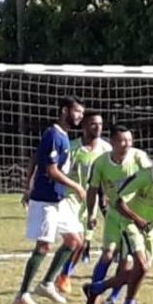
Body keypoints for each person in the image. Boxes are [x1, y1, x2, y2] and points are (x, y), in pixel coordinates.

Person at [83, 139, 153, 304]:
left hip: (151, 228)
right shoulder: (143, 177)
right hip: (129, 223)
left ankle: (97, 288)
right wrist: (137, 219)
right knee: (141, 265)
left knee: (141, 270)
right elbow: (119, 202)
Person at [13, 96, 87, 304]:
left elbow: (35, 157)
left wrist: (27, 185)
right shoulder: (53, 134)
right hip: (45, 200)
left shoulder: (62, 136)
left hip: (58, 199)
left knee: (75, 240)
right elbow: (51, 170)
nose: (79, 116)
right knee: (44, 245)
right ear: (64, 111)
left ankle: (47, 284)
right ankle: (22, 294)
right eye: (77, 111)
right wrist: (77, 186)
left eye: (82, 113)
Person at [85, 125, 152, 304]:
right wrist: (91, 214)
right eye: (122, 140)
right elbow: (92, 190)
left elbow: (151, 179)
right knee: (107, 254)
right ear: (112, 142)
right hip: (114, 215)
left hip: (133, 217)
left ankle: (113, 298)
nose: (127, 144)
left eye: (129, 140)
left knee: (127, 261)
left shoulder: (139, 158)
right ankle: (94, 295)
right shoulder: (101, 163)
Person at [54, 112, 112, 294]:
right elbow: (57, 171)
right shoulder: (72, 148)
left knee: (84, 242)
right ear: (84, 126)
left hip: (91, 202)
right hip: (70, 199)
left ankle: (64, 275)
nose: (98, 127)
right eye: (93, 123)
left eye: (100, 124)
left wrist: (106, 198)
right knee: (76, 240)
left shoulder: (106, 150)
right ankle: (61, 276)